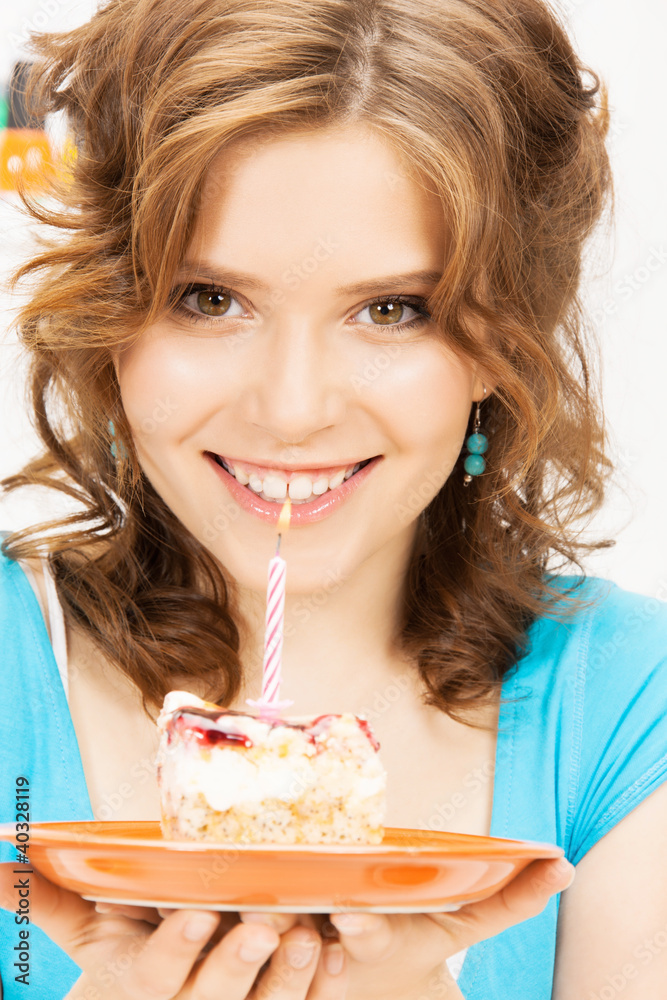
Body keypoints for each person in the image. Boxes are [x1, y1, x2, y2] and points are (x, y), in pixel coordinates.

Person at [0, 0, 666, 997]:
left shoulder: (627, 702)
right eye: (210, 299)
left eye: (391, 309)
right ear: (111, 312)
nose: (292, 409)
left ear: (502, 340)